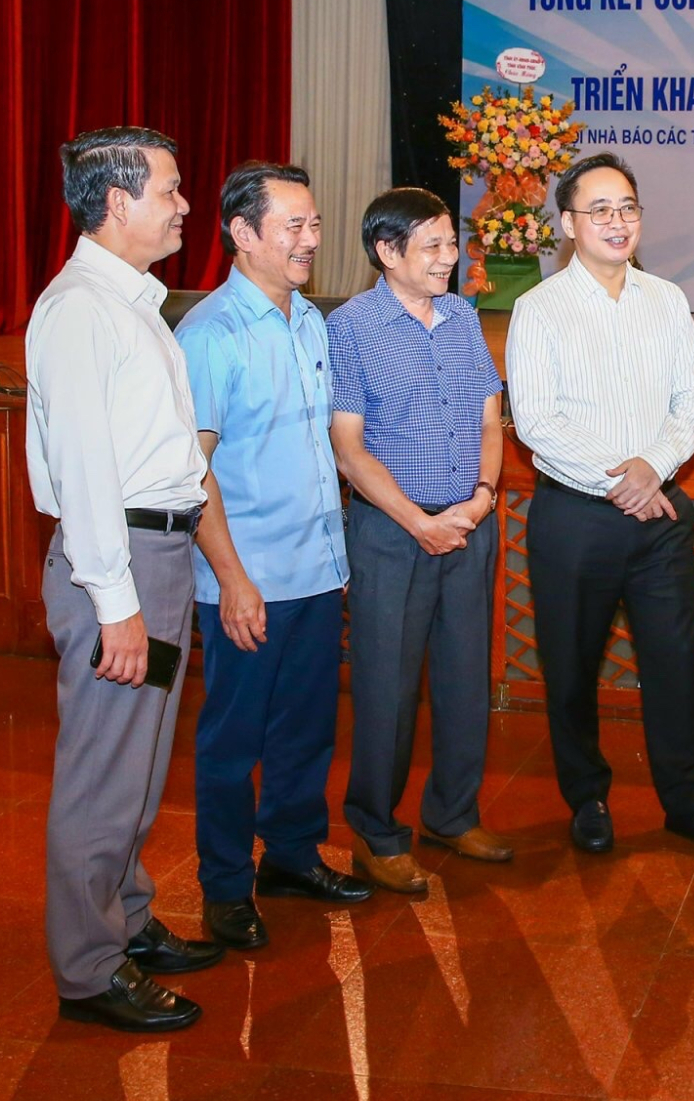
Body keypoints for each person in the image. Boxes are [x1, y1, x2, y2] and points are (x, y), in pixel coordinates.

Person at [28, 126, 219, 1032]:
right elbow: (85, 472)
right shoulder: (79, 311)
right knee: (104, 771)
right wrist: (117, 605)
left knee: (140, 767)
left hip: (159, 555)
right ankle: (88, 969)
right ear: (116, 203)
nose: (185, 205)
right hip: (123, 561)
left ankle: (127, 922)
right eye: (171, 191)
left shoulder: (132, 302)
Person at [505, 152, 694, 856]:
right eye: (600, 210)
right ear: (567, 224)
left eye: (628, 208)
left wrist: (654, 468)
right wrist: (622, 481)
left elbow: (693, 398)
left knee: (676, 664)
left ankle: (686, 800)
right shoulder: (538, 309)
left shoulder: (665, 299)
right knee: (571, 665)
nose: (617, 221)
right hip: (575, 518)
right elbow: (538, 422)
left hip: (661, 517)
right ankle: (587, 797)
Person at [176, 161, 370, 954]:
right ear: (243, 233)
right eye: (292, 226)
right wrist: (231, 579)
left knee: (305, 729)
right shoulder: (209, 336)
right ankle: (225, 886)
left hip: (319, 568)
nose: (309, 240)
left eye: (315, 224)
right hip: (249, 580)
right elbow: (193, 471)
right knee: (233, 741)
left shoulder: (308, 322)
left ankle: (290, 855)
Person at [329, 187, 511, 895]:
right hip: (392, 533)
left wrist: (482, 499)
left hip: (468, 523)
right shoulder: (351, 327)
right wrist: (417, 520)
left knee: (466, 680)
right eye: (431, 246)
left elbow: (490, 421)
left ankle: (453, 815)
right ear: (387, 251)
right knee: (387, 687)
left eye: (450, 243)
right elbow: (349, 447)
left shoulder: (464, 318)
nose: (448, 258)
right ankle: (376, 834)